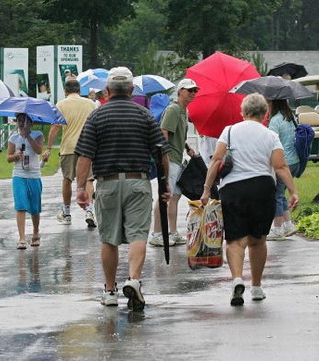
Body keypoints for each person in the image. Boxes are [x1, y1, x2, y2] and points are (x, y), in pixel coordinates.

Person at [75, 67, 171, 310]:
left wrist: (80, 188)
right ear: (131, 90)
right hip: (138, 182)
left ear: (107, 91)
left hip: (107, 183)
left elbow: (85, 156)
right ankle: (134, 279)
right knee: (138, 234)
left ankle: (109, 290)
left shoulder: (97, 117)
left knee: (109, 239)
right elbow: (161, 154)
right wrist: (165, 183)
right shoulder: (145, 115)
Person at [200, 93, 298, 306]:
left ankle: (237, 279)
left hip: (233, 189)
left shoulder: (229, 131)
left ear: (242, 112)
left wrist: (207, 190)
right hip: (262, 188)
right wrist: (293, 191)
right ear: (265, 114)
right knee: (258, 240)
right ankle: (256, 287)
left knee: (235, 240)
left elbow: (217, 160)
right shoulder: (270, 135)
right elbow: (280, 166)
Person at [41, 79, 97, 228]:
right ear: (79, 90)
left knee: (67, 179)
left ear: (66, 91)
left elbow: (55, 127)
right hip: (88, 146)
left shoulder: (61, 104)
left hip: (69, 147)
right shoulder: (90, 104)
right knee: (89, 180)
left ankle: (66, 212)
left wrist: (48, 148)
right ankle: (89, 210)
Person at [149, 78, 198, 247]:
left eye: (194, 90)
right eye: (189, 90)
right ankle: (156, 233)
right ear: (180, 91)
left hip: (178, 157)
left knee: (175, 196)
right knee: (164, 196)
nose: (192, 93)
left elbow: (178, 134)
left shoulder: (184, 111)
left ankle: (172, 231)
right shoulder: (174, 109)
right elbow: (164, 132)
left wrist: (186, 147)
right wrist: (165, 156)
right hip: (170, 159)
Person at [6, 113, 44, 250]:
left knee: (35, 207)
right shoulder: (13, 138)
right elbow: (8, 158)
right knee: (20, 205)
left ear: (31, 122)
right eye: (19, 120)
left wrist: (28, 135)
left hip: (34, 175)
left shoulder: (38, 134)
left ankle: (35, 233)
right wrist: (15, 156)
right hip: (19, 175)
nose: (21, 123)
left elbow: (39, 150)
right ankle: (21, 238)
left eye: (25, 120)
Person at [266, 99, 299, 240]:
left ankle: (278, 229)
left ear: (273, 103)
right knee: (281, 193)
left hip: (283, 162)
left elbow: (270, 142)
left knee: (277, 195)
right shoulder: (289, 117)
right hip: (294, 161)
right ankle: (288, 225)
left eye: (268, 103)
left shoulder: (275, 120)